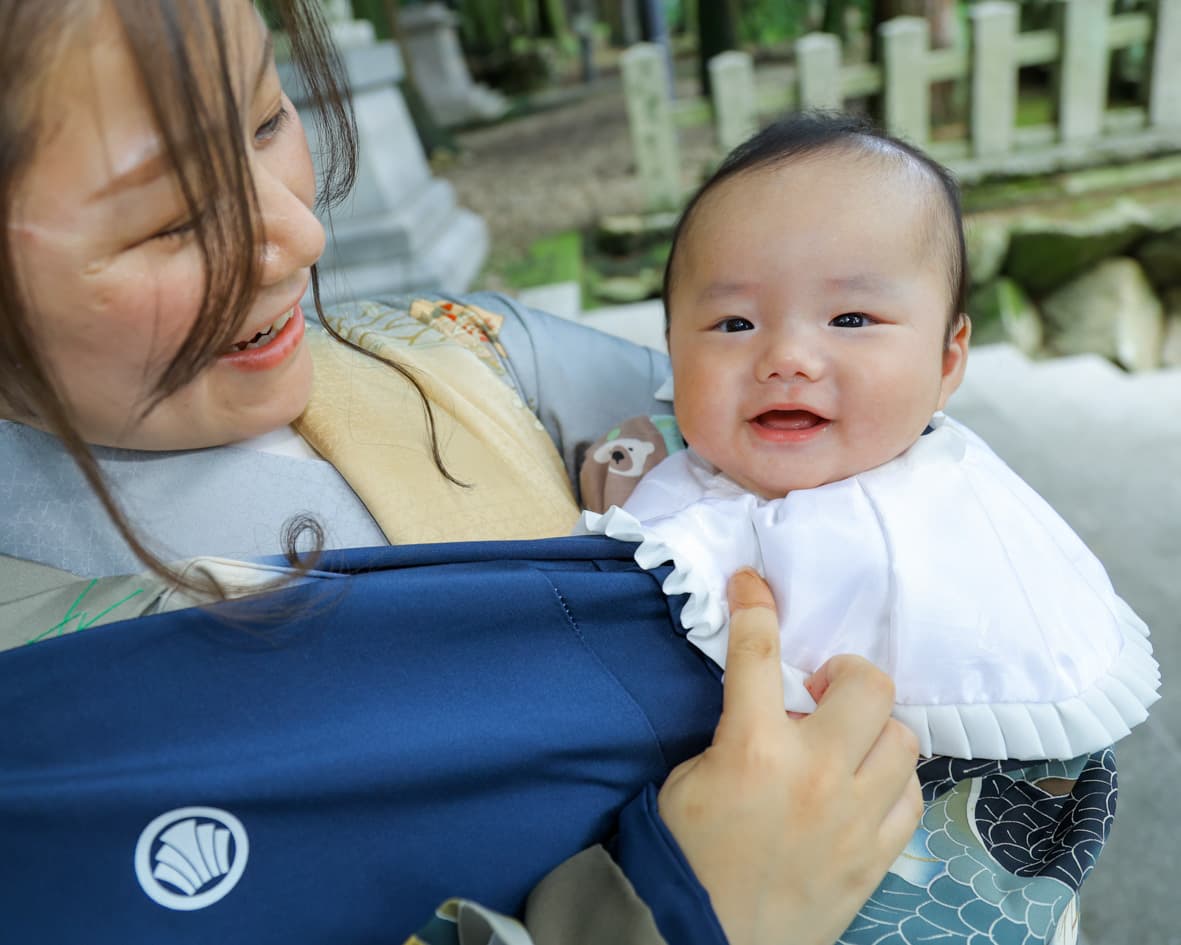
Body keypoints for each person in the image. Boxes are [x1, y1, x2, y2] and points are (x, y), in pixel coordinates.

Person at [0, 4, 925, 943]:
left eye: (269, 122)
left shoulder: (470, 362)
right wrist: (678, 914)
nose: (299, 236)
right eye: (169, 218)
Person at [580, 112, 1161, 943]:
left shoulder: (939, 508)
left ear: (947, 359)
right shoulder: (663, 461)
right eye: (732, 323)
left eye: (850, 320)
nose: (786, 355)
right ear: (672, 349)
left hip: (943, 866)